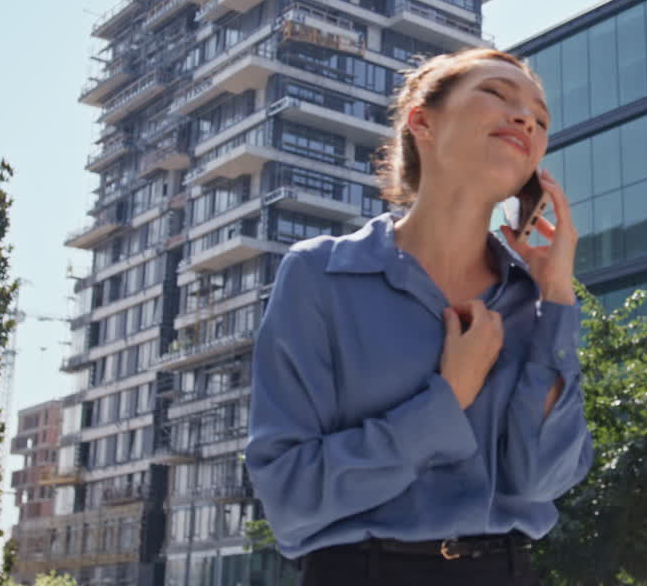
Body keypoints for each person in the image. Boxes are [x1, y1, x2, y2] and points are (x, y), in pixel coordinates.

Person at [245, 48, 593, 585]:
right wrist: (446, 399)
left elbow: (541, 480)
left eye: (541, 119)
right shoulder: (320, 276)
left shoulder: (535, 303)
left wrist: (558, 297)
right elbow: (290, 497)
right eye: (496, 94)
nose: (526, 117)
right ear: (423, 122)